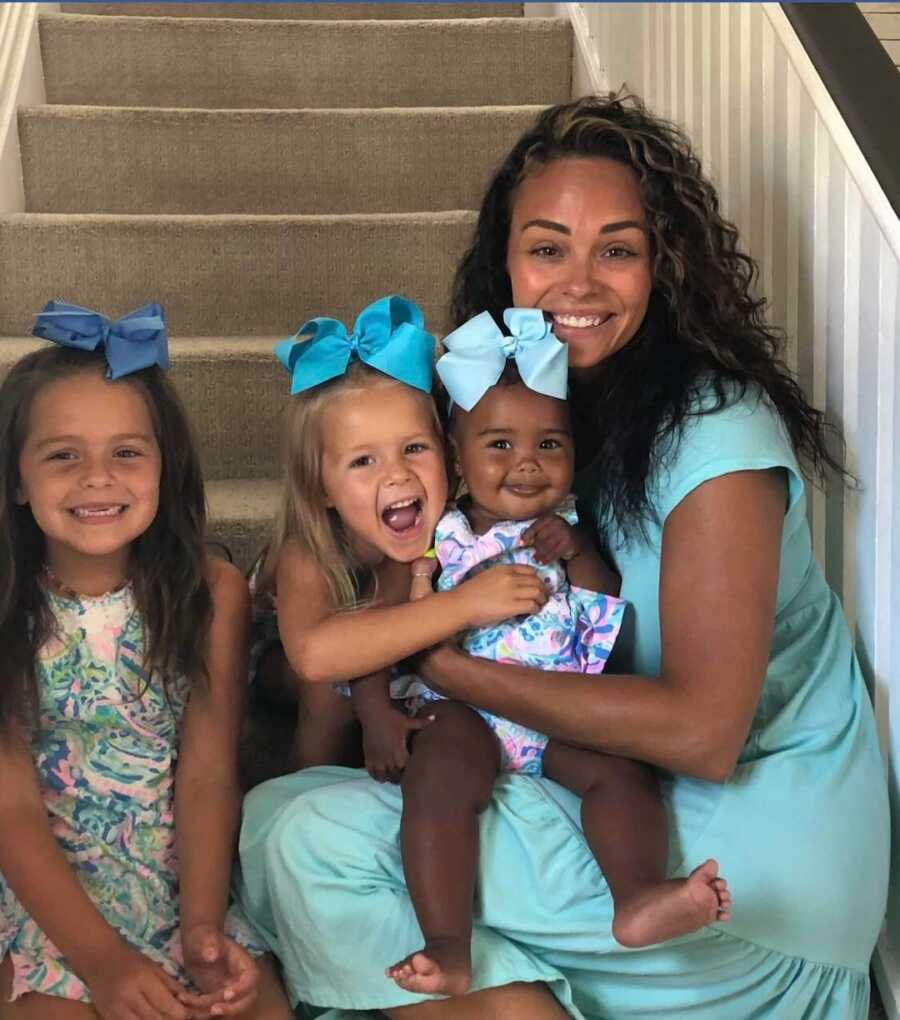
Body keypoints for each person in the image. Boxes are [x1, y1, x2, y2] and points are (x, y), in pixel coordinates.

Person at [237, 94, 890, 1019]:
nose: (579, 284)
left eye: (617, 250)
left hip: (750, 890)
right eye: (548, 249)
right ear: (504, 266)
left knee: (296, 830)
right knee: (339, 820)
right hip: (629, 807)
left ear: (662, 268)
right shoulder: (547, 423)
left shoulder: (715, 433)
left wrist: (444, 663)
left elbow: (703, 734)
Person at [386, 307, 729, 997]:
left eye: (550, 445)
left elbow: (607, 608)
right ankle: (448, 943)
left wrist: (576, 552)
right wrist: (373, 711)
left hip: (558, 708)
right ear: (456, 459)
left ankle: (636, 896)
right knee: (441, 783)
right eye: (500, 446)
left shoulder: (567, 526)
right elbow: (388, 628)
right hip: (462, 711)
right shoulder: (437, 535)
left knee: (622, 773)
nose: (527, 465)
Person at [0, 303, 293, 1020]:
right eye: (63, 455)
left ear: (166, 468)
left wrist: (201, 930)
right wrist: (101, 962)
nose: (97, 478)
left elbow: (206, 774)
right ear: (16, 479)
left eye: (126, 452)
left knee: (255, 1006)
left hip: (180, 882)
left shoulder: (212, 594)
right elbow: (8, 806)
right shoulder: (8, 607)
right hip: (50, 902)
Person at [251, 293, 548, 785]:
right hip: (282, 657)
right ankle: (304, 791)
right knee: (331, 693)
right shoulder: (308, 551)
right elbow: (315, 654)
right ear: (322, 488)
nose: (396, 476)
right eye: (362, 461)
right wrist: (466, 605)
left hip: (394, 640)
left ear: (451, 459)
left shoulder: (451, 524)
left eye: (413, 449)